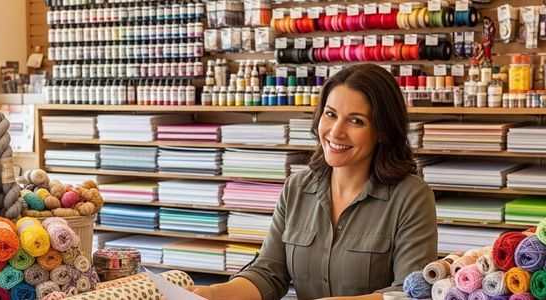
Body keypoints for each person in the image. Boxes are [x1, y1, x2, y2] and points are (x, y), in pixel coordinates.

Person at [187, 64, 438, 299]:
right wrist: (211, 294)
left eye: (356, 121)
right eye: (330, 114)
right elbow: (268, 273)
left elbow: (410, 292)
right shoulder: (296, 188)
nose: (335, 132)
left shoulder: (410, 197)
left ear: (382, 130)